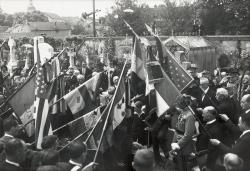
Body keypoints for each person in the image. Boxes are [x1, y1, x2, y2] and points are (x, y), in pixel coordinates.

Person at [196, 106, 227, 170]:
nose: (202, 115)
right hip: (202, 155)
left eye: (203, 113)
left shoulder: (216, 129)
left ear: (209, 116)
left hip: (207, 159)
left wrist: (208, 166)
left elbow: (214, 150)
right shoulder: (208, 123)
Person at [171, 95, 197, 171]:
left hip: (185, 145)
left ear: (182, 104)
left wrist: (178, 144)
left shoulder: (190, 116)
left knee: (184, 165)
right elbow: (177, 129)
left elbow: (188, 134)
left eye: (178, 103)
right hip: (178, 141)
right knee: (178, 163)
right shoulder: (183, 112)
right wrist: (174, 142)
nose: (176, 105)